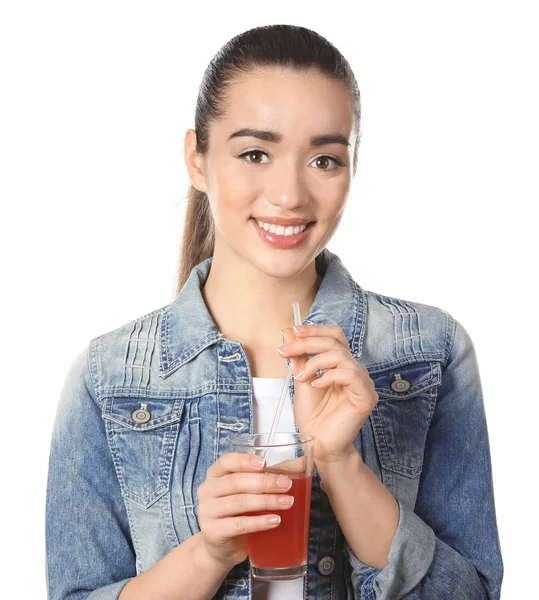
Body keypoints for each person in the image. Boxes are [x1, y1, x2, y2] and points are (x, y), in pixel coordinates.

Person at [45, 24, 504, 600]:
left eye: (325, 160)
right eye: (256, 153)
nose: (289, 194)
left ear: (352, 167)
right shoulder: (111, 377)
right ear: (197, 158)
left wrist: (341, 465)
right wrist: (208, 553)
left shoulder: (429, 353)